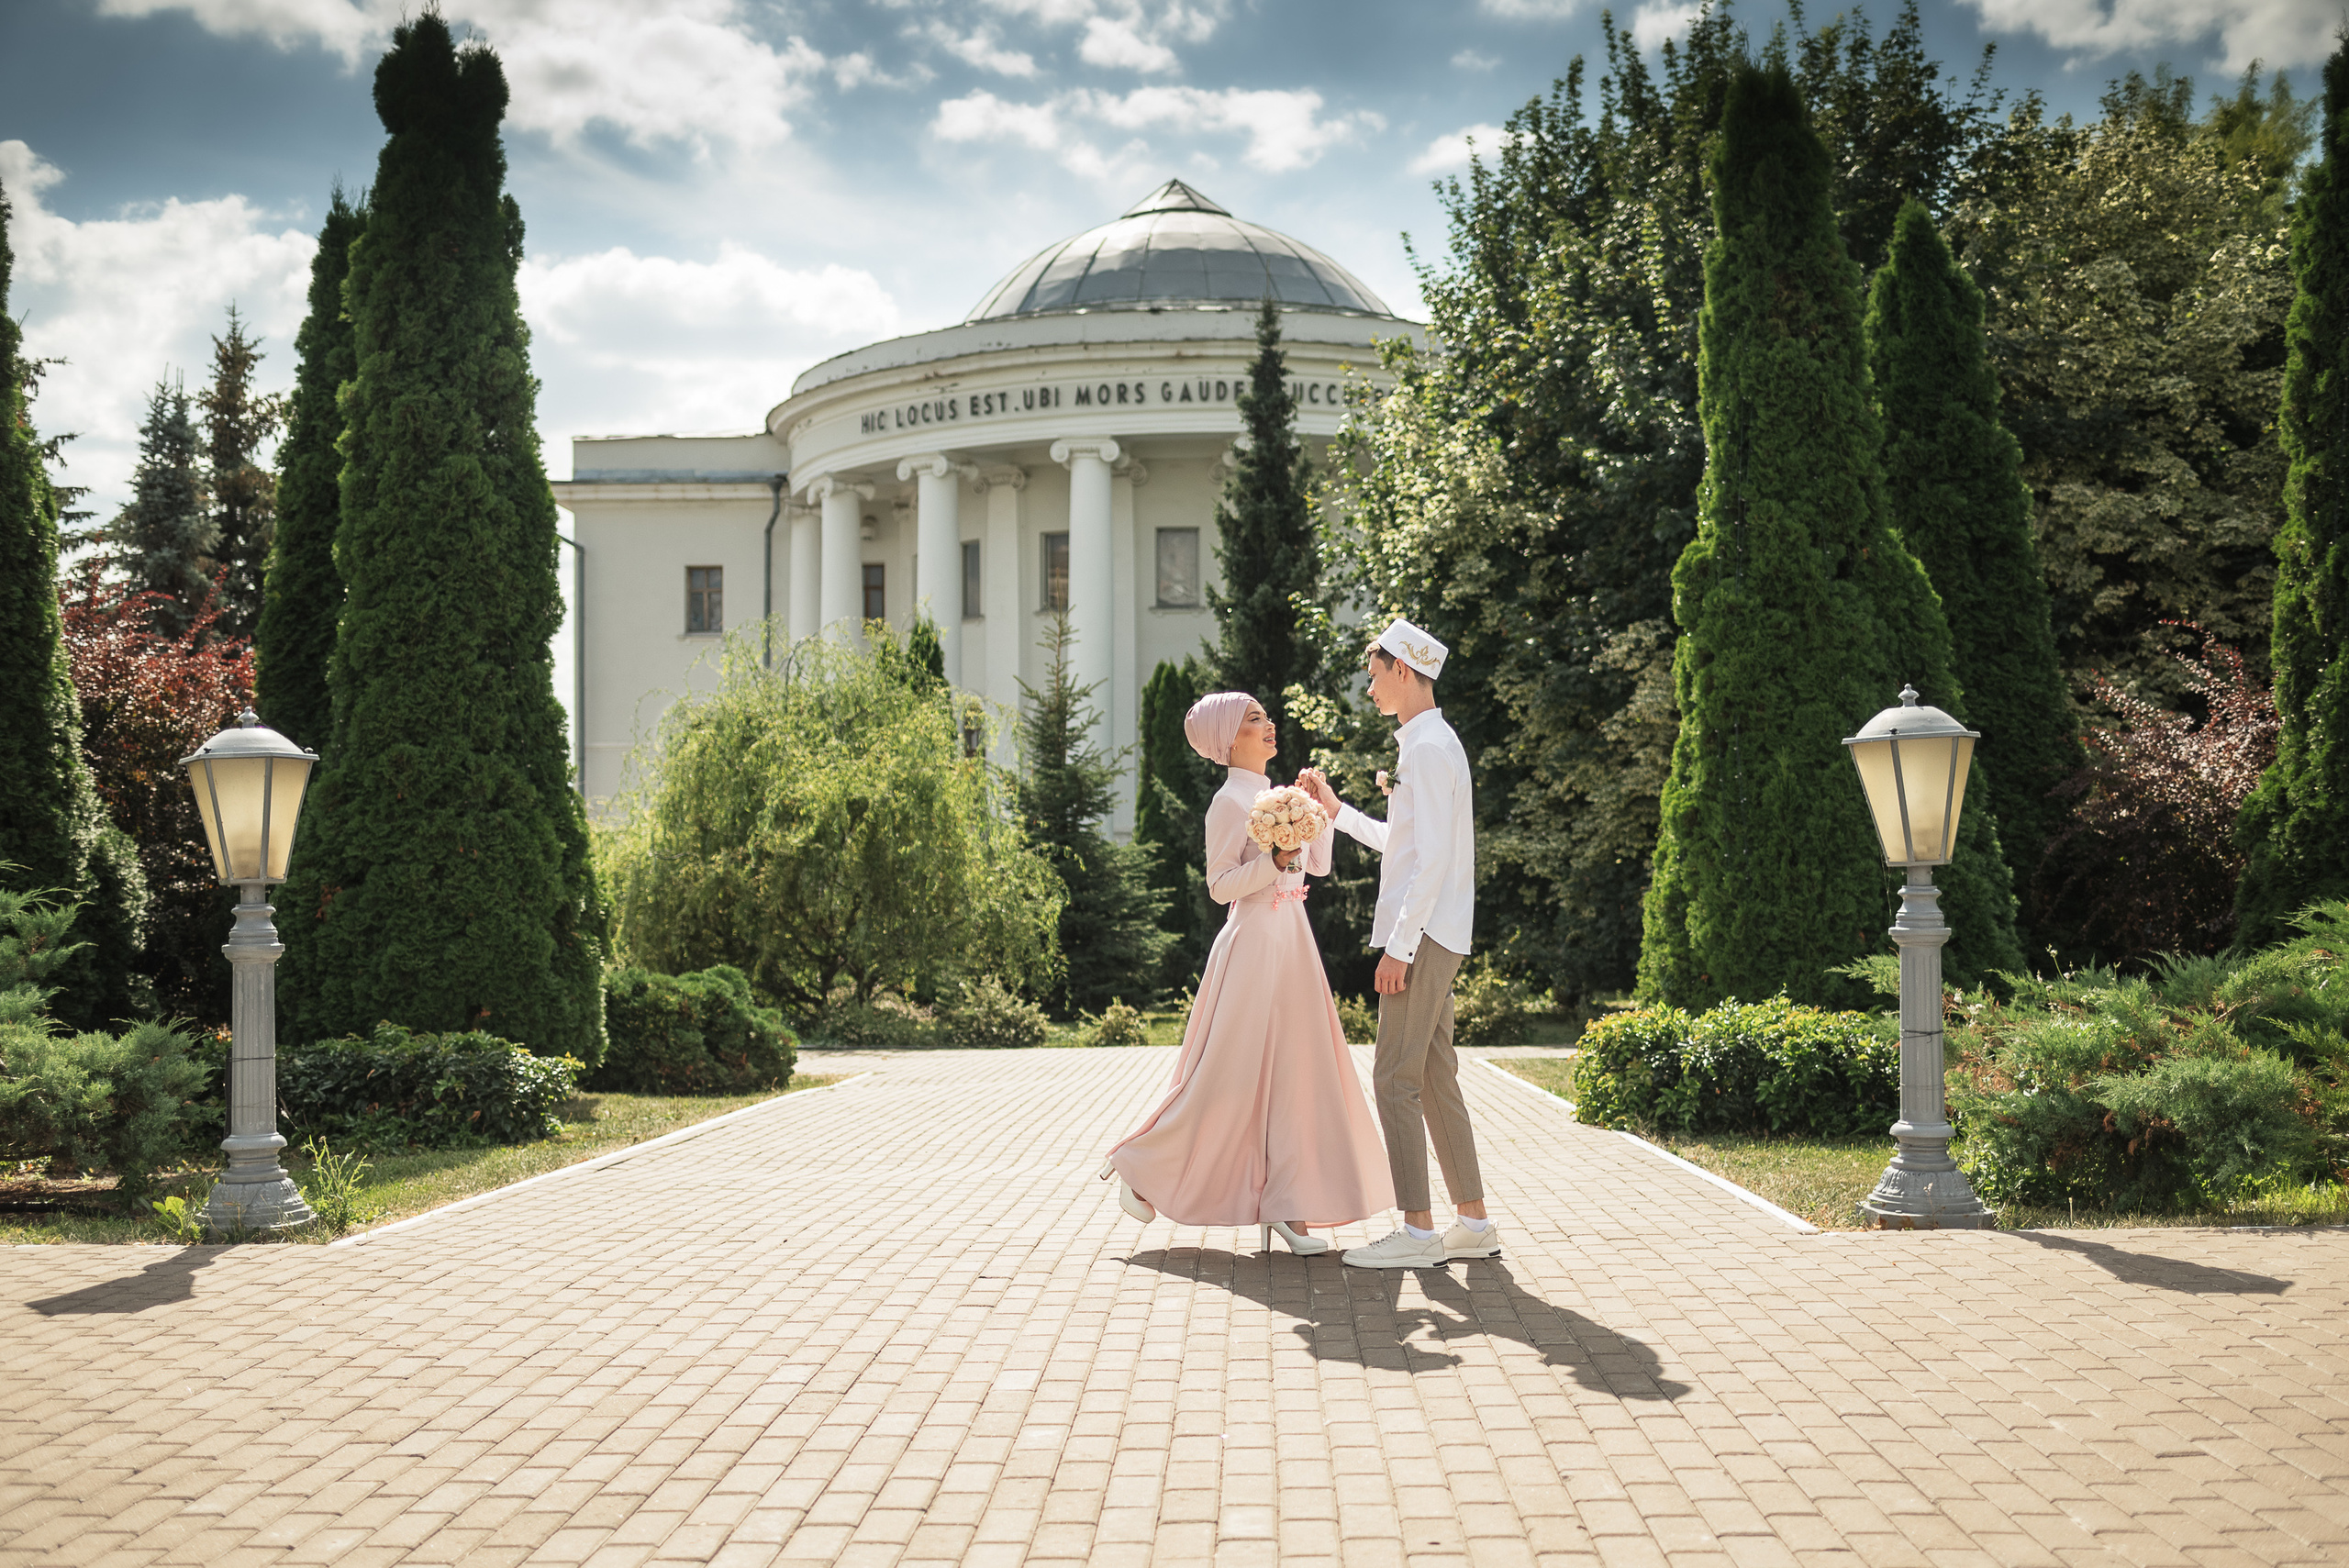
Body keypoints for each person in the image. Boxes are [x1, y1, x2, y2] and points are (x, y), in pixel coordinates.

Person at [1101, 691, 1394, 1255]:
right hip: (1253, 943)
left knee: (1300, 1077)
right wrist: (1274, 862)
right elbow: (1219, 888)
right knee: (1229, 1076)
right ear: (1227, 738)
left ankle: (1288, 1205)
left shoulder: (1279, 796)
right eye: (1254, 719)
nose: (1270, 725)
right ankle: (1141, 1166)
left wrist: (1318, 813)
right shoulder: (1227, 804)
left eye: (1265, 717)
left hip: (1294, 942)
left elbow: (1321, 865)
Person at [1299, 620, 1497, 1270]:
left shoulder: (1429, 748)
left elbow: (1432, 860)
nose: (1371, 682)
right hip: (1436, 931)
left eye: (1376, 671)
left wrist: (1401, 948)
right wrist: (1337, 811)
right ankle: (1472, 1222)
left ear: (1405, 671)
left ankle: (1417, 1232)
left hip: (1426, 935)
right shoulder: (1428, 743)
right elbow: (1404, 842)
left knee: (1393, 1078)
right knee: (1435, 1075)